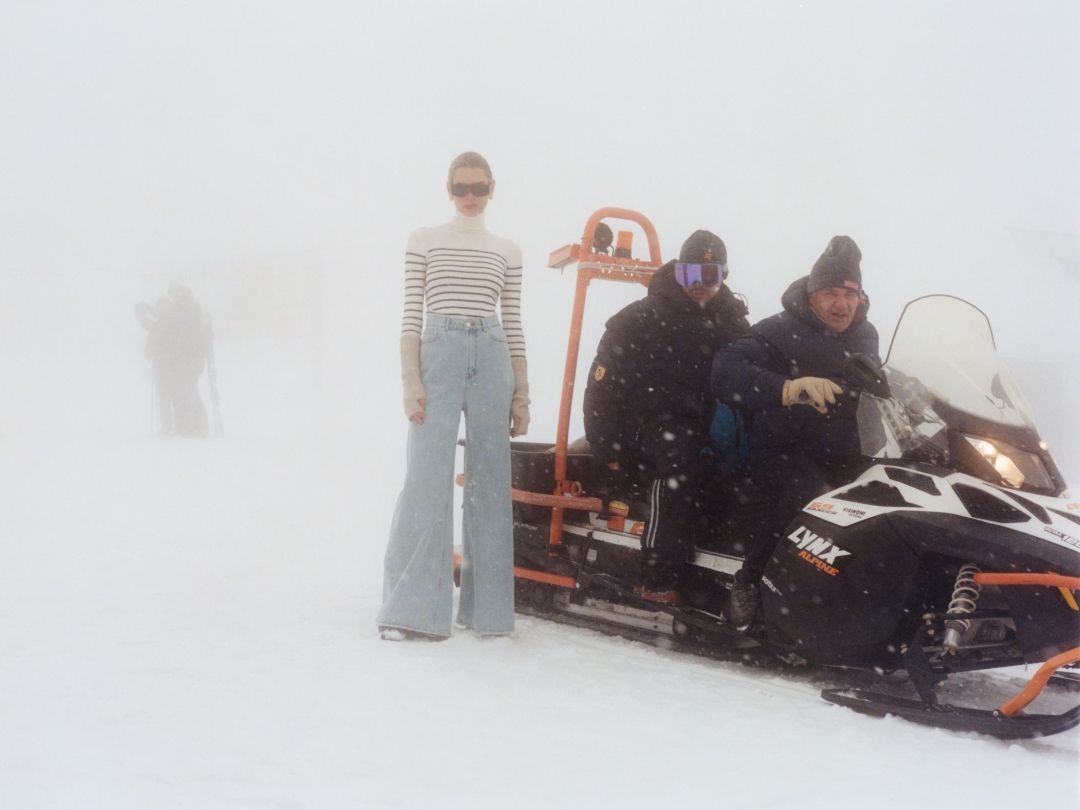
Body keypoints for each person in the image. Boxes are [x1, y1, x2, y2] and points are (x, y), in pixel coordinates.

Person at [377, 151, 530, 641]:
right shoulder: (424, 241)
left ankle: (488, 615)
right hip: (438, 352)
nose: (469, 197)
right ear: (448, 189)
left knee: (490, 482)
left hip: (491, 353)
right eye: (460, 188)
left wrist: (521, 394)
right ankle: (411, 611)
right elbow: (409, 317)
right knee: (426, 480)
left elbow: (513, 323)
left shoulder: (508, 250)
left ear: (491, 189)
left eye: (478, 188)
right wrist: (410, 379)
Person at [711, 235, 879, 630]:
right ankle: (748, 583)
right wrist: (787, 388)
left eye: (850, 293)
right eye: (830, 293)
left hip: (847, 452)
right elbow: (725, 370)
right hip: (781, 450)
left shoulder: (865, 335)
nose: (841, 304)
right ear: (811, 295)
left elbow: (876, 384)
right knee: (810, 498)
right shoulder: (779, 330)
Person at [583, 230, 751, 603]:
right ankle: (659, 572)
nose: (699, 285)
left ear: (723, 277)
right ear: (677, 270)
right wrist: (606, 447)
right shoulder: (637, 321)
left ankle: (747, 570)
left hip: (711, 423)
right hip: (648, 424)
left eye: (710, 276)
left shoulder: (735, 325)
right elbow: (602, 388)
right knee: (681, 460)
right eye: (691, 273)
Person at [135, 285, 213, 438]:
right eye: (172, 295)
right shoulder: (176, 313)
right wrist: (145, 320)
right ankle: (183, 427)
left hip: (186, 360)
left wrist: (149, 310)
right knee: (178, 394)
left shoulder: (187, 310)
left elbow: (170, 323)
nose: (174, 297)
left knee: (185, 392)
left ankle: (194, 428)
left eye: (176, 294)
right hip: (174, 360)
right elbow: (160, 329)